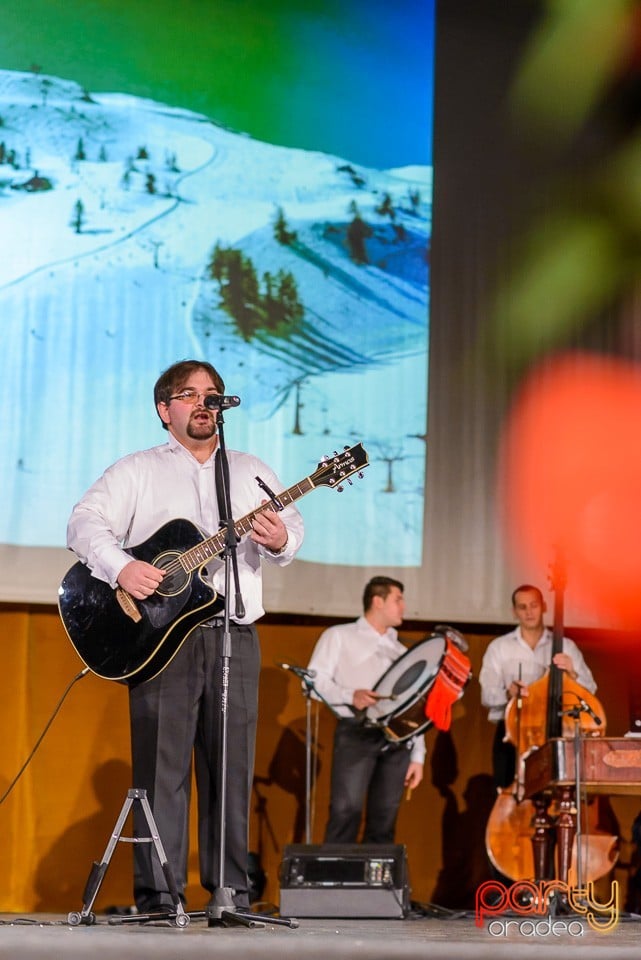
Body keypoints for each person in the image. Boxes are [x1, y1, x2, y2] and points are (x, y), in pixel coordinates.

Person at [66, 359, 304, 915]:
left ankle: (230, 895)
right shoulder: (137, 470)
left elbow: (291, 530)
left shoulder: (249, 470)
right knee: (161, 772)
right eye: (189, 394)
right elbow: (83, 522)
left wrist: (278, 538)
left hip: (234, 634)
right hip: (158, 639)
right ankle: (158, 896)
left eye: (212, 393)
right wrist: (121, 567)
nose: (203, 402)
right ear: (164, 410)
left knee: (231, 770)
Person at [307, 576, 425, 844]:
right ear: (377, 601)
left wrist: (418, 754)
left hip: (397, 740)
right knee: (345, 812)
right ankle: (334, 882)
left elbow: (412, 704)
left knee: (384, 819)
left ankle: (376, 885)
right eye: (398, 599)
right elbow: (314, 682)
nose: (404, 607)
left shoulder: (401, 651)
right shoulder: (340, 636)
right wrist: (350, 695)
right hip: (356, 732)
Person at [479, 583, 596, 788]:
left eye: (533, 605)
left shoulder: (566, 646)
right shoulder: (499, 647)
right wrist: (509, 693)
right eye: (522, 607)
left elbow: (591, 691)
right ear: (514, 612)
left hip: (555, 729)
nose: (529, 612)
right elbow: (487, 696)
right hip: (512, 731)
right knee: (508, 790)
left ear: (544, 607)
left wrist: (572, 673)